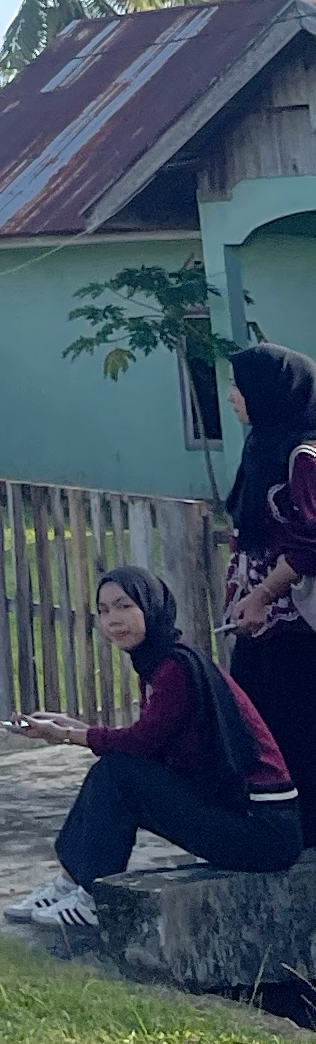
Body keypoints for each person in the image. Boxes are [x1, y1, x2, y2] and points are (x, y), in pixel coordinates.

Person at [6, 565, 301, 928]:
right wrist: (74, 728)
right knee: (117, 769)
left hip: (263, 832)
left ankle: (91, 897)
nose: (114, 619)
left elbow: (143, 742)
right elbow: (151, 741)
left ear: (151, 606)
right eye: (104, 610)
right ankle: (72, 883)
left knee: (117, 773)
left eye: (124, 606)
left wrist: (67, 734)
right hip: (241, 818)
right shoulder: (160, 662)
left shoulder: (176, 667)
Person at [224, 344, 316, 809]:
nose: (231, 396)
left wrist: (261, 595)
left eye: (239, 386)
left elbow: (311, 544)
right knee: (255, 728)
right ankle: (276, 826)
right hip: (261, 621)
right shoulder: (262, 445)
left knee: (297, 732)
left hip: (297, 623)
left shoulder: (303, 456)